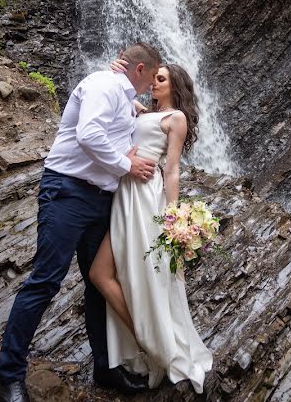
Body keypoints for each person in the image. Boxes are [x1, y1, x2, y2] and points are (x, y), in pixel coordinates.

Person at [0, 43, 162, 402]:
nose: (151, 87)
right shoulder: (104, 84)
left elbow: (116, 125)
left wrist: (133, 110)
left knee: (98, 284)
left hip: (100, 198)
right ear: (141, 68)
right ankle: (8, 376)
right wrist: (126, 165)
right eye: (152, 77)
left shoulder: (121, 93)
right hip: (68, 192)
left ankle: (105, 366)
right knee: (45, 281)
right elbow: (88, 135)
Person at [88, 61, 213, 394]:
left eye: (161, 79)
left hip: (146, 199)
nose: (154, 83)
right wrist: (114, 68)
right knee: (102, 275)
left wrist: (173, 219)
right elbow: (118, 93)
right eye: (153, 78)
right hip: (123, 194)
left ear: (175, 86)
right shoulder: (141, 110)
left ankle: (154, 346)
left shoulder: (176, 118)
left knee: (143, 277)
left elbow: (171, 171)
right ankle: (148, 341)